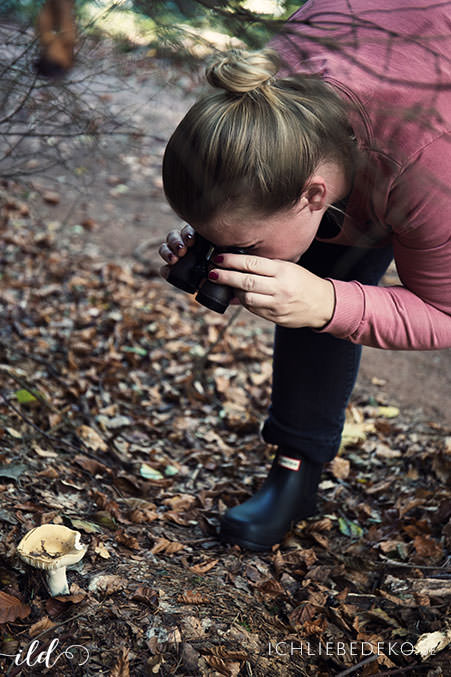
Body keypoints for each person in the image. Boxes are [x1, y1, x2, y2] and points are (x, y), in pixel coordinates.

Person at [159, 0, 451, 551]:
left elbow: (446, 310)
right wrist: (212, 236)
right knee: (303, 273)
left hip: (424, 144)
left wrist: (327, 304)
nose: (229, 255)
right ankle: (295, 470)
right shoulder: (267, 101)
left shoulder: (427, 164)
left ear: (313, 194)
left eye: (240, 244)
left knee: (316, 294)